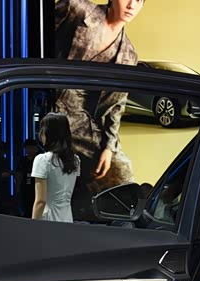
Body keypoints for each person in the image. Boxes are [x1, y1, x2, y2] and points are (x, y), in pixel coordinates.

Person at [54, 0, 143, 219]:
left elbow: (116, 106)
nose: (132, 5)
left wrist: (109, 148)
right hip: (42, 98)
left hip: (80, 119)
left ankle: (123, 227)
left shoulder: (128, 55)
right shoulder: (76, 10)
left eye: (140, 0)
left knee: (121, 173)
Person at [31, 113, 80, 223]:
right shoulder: (75, 160)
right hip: (67, 219)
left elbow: (41, 201)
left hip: (49, 221)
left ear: (48, 133)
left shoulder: (42, 160)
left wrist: (33, 227)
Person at [16, 139, 40, 217]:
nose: (30, 149)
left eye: (32, 147)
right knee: (26, 208)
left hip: (37, 187)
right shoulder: (22, 161)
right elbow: (19, 175)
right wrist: (17, 188)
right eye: (28, 147)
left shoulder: (39, 160)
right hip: (25, 188)